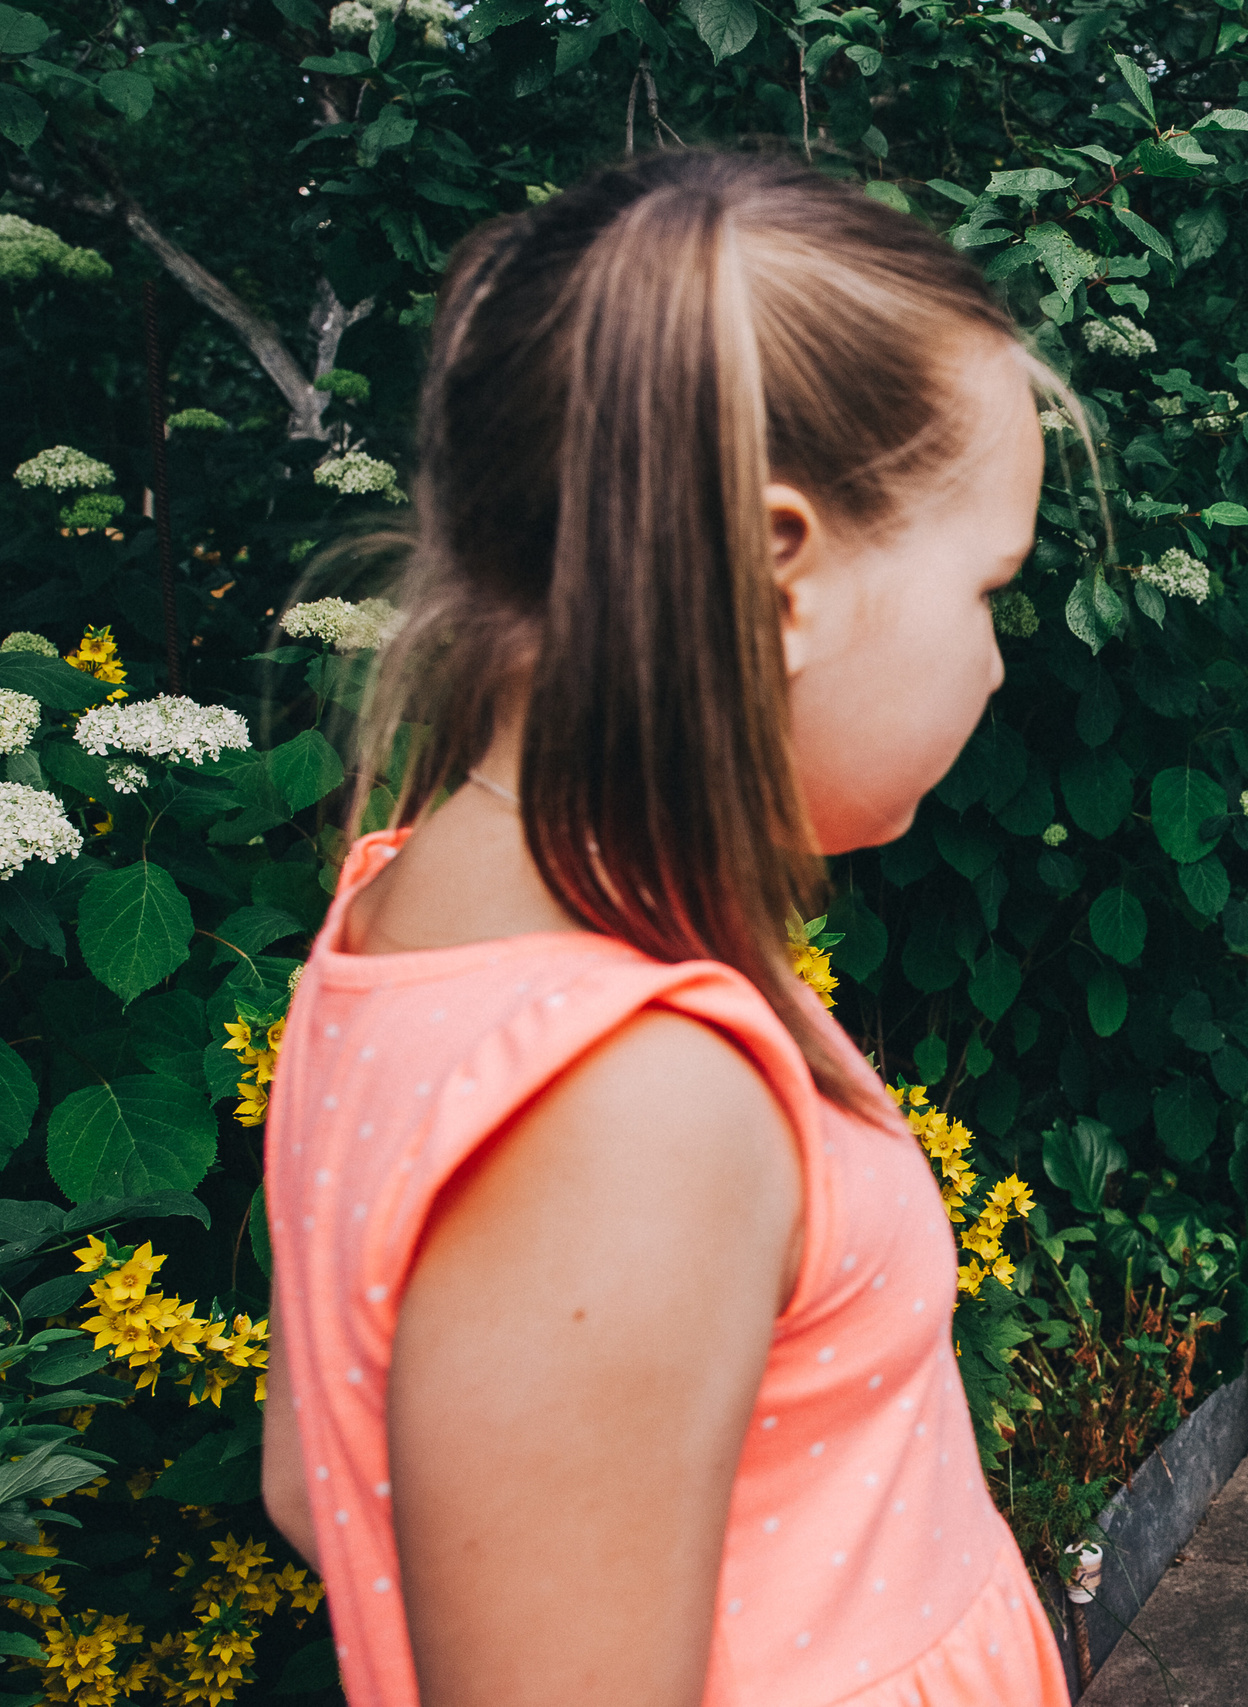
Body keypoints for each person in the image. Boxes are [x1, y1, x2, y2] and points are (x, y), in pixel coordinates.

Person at [261, 151, 1072, 1707]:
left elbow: (316, 1479)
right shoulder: (627, 1095)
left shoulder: (404, 920)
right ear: (782, 572)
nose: (990, 664)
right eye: (989, 590)